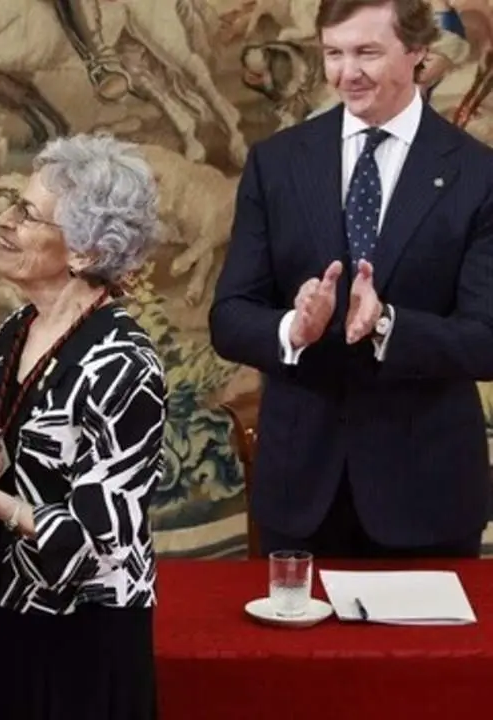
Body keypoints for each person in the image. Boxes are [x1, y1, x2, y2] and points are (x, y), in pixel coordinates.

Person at [209, 0, 493, 559]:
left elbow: (487, 339)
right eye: (333, 54)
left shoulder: (479, 175)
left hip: (426, 495)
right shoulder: (277, 164)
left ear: (416, 53)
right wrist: (295, 327)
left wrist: (388, 324)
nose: (346, 73)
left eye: (367, 52)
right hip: (300, 492)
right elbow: (230, 316)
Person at [0, 133, 165, 720]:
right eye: (13, 204)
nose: (6, 220)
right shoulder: (14, 329)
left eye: (28, 213)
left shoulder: (124, 363)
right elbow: (2, 463)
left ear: (86, 254)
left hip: (79, 637)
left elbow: (100, 541)